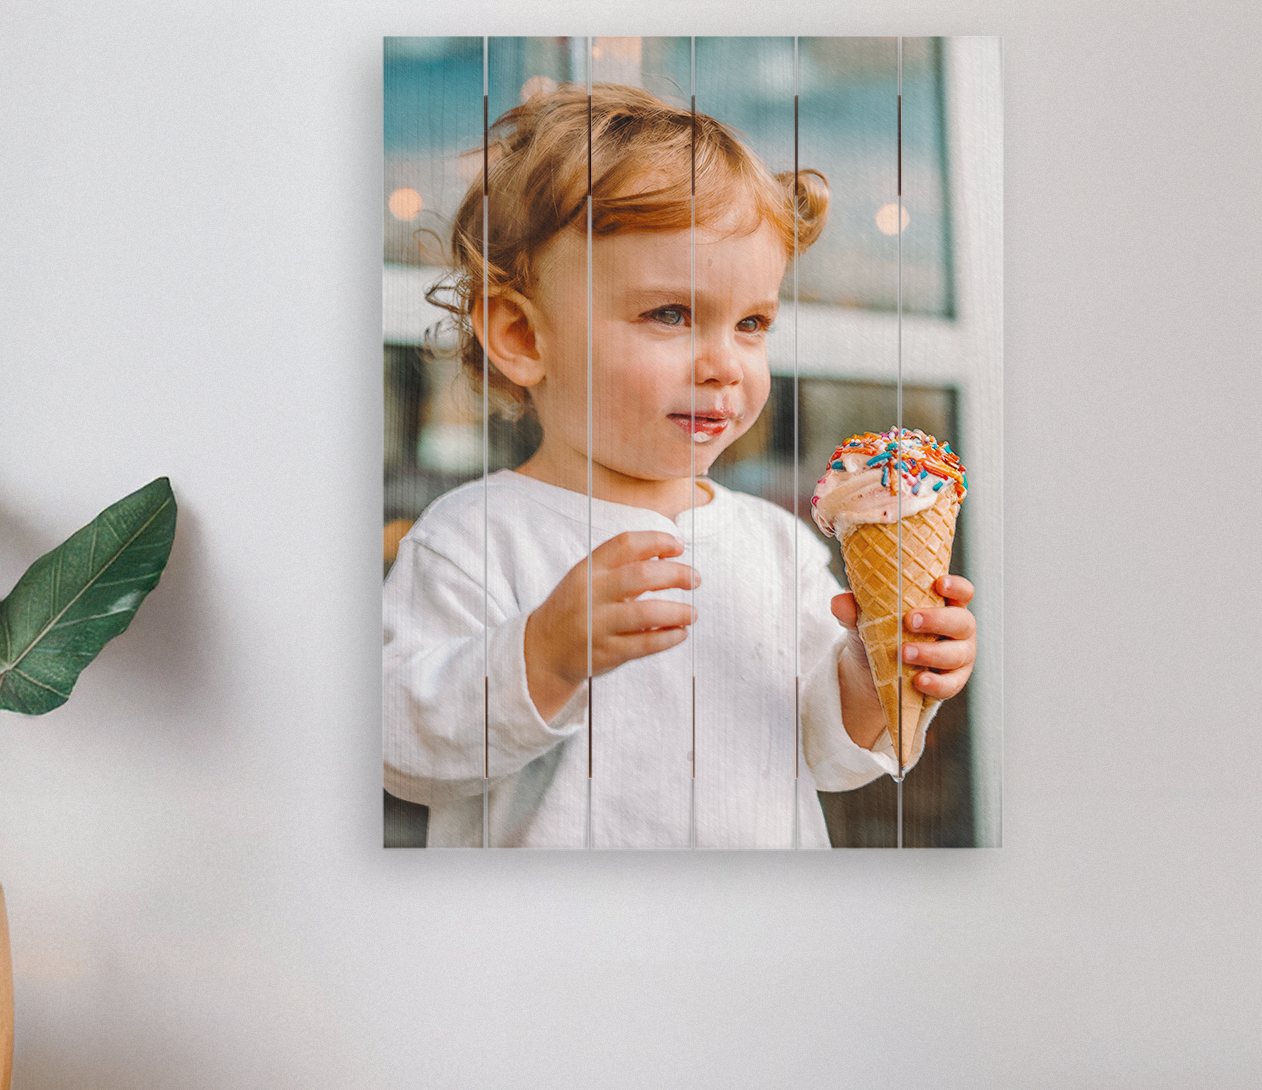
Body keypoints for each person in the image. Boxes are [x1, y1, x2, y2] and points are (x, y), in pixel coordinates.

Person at [381, 82, 977, 847]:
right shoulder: (473, 537)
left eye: (753, 323)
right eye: (670, 313)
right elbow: (403, 754)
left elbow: (831, 755)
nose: (725, 364)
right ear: (524, 338)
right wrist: (543, 656)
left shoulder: (779, 544)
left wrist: (877, 674)